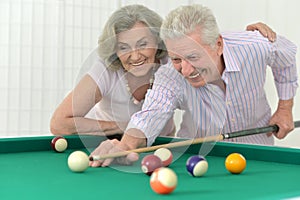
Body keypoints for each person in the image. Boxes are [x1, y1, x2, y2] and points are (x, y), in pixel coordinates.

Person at [89, 4, 297, 167]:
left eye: (193, 57)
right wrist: (125, 146)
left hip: (259, 153)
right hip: (198, 159)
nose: (186, 70)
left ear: (218, 44)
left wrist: (285, 108)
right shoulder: (170, 74)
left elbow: (286, 57)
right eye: (177, 59)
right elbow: (151, 113)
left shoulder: (254, 46)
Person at [50, 4, 275, 140]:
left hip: (162, 146)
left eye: (142, 44)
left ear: (158, 42)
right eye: (124, 47)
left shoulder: (175, 62)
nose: (134, 55)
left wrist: (248, 38)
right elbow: (59, 124)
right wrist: (125, 128)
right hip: (112, 146)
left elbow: (203, 45)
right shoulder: (105, 70)